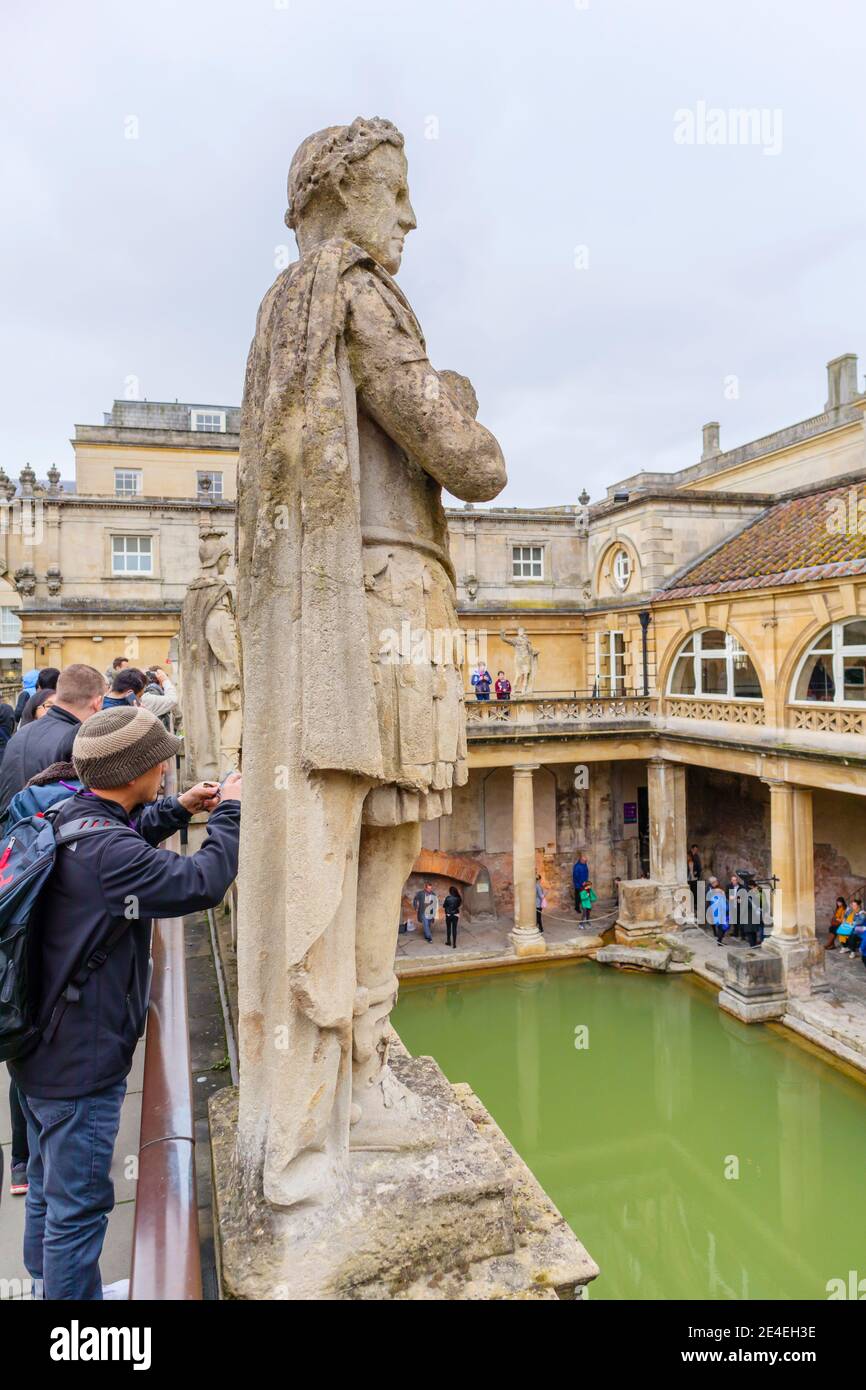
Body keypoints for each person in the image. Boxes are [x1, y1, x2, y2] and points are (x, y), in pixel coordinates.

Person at [10, 706, 242, 1301]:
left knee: (45, 1183)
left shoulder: (68, 813)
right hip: (79, 1065)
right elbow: (201, 883)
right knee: (79, 1209)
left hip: (37, 1048)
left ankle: (46, 1287)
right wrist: (233, 815)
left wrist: (181, 808)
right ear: (142, 769)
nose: (167, 766)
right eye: (162, 759)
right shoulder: (108, 854)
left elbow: (126, 840)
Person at [0, 664, 106, 820]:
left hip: (12, 835)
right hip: (47, 836)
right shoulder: (77, 740)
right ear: (97, 703)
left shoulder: (20, 734)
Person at [707, 877, 728, 944]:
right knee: (722, 926)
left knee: (722, 926)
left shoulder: (717, 889)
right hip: (718, 910)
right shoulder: (713, 890)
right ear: (712, 883)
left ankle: (719, 940)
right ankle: (719, 941)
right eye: (715, 882)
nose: (717, 882)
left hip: (719, 910)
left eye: (716, 881)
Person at [443, 884, 462, 948]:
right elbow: (458, 905)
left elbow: (444, 906)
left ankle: (449, 941)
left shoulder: (448, 898)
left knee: (448, 928)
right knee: (454, 929)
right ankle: (454, 944)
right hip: (456, 914)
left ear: (450, 891)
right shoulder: (459, 898)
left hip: (448, 915)